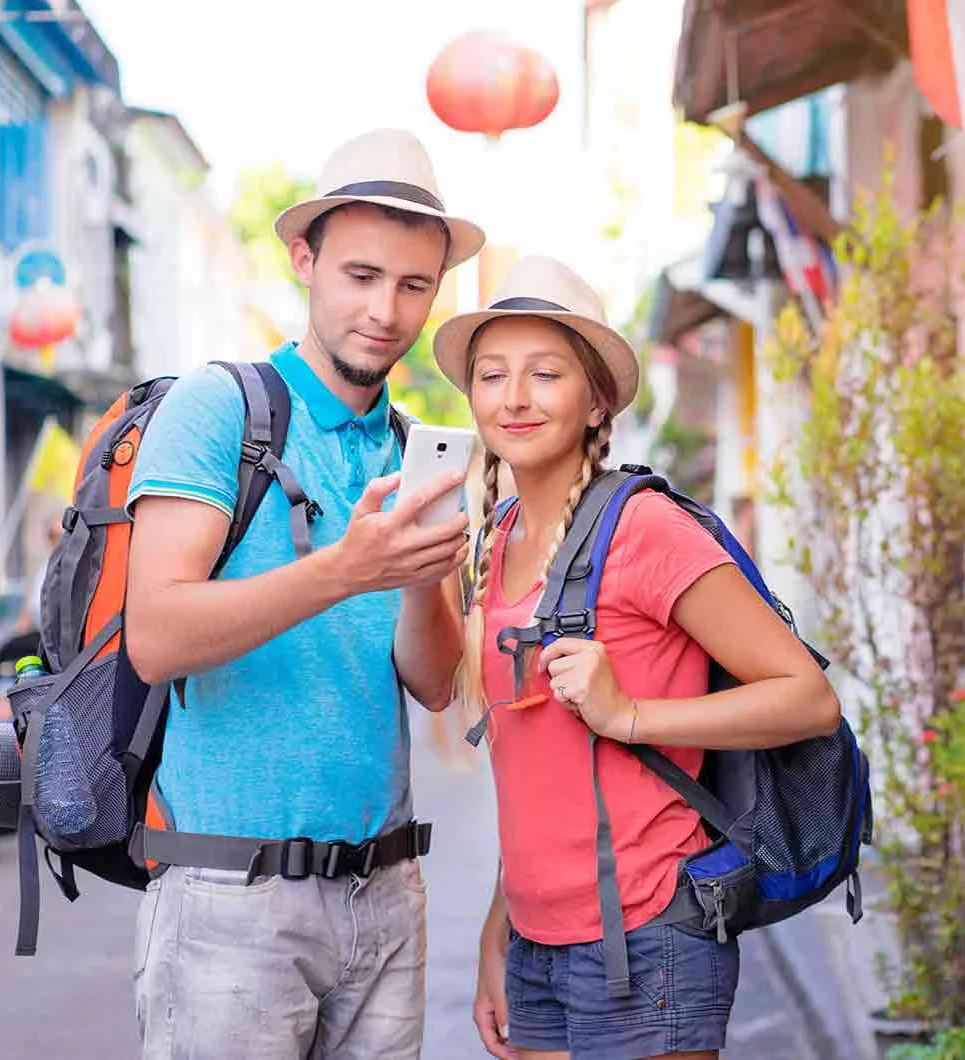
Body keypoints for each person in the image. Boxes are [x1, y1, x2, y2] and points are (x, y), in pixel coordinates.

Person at [122, 129, 485, 1059]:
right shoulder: (219, 408)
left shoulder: (413, 449)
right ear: (303, 260)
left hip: (388, 893)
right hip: (230, 900)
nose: (385, 310)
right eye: (360, 275)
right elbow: (155, 636)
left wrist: (416, 580)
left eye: (413, 285)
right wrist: (345, 569)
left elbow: (437, 684)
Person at [433, 256, 841, 1060]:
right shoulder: (498, 536)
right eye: (492, 375)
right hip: (536, 945)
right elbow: (538, 771)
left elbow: (807, 696)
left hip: (649, 938)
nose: (513, 397)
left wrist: (628, 714)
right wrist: (499, 925)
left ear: (598, 401)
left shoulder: (645, 530)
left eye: (545, 374)